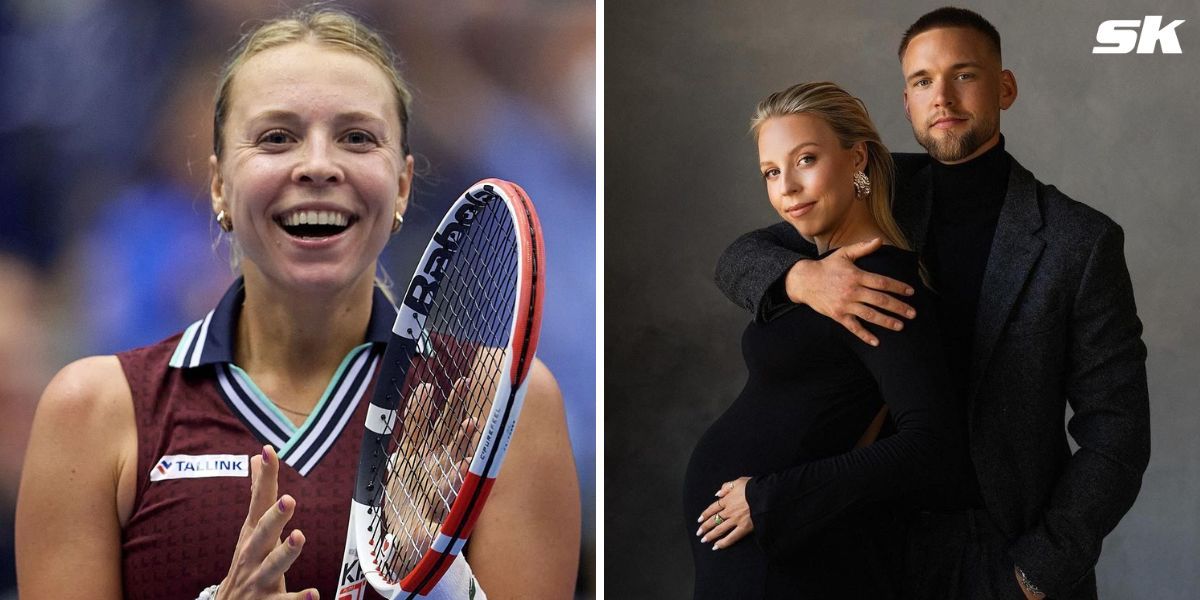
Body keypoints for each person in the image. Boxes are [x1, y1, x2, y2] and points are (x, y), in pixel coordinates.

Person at [14, 8, 580, 599]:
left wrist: (442, 589)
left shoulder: (505, 408)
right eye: (276, 138)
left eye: (357, 137)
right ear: (218, 185)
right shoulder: (92, 413)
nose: (317, 166)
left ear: (403, 186)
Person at [714, 7, 1149, 600]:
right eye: (922, 81)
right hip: (866, 539)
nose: (941, 96)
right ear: (907, 100)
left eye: (963, 74)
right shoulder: (876, 188)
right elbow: (739, 257)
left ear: (1005, 87)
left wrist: (1036, 572)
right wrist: (800, 279)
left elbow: (1117, 432)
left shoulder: (1080, 240)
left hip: (1003, 546)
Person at [683, 81, 965, 599]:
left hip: (781, 553)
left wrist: (771, 500)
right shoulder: (812, 268)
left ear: (857, 158)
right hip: (751, 556)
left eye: (806, 159)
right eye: (771, 172)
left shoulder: (879, 286)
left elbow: (932, 446)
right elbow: (733, 259)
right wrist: (799, 277)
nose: (786, 187)